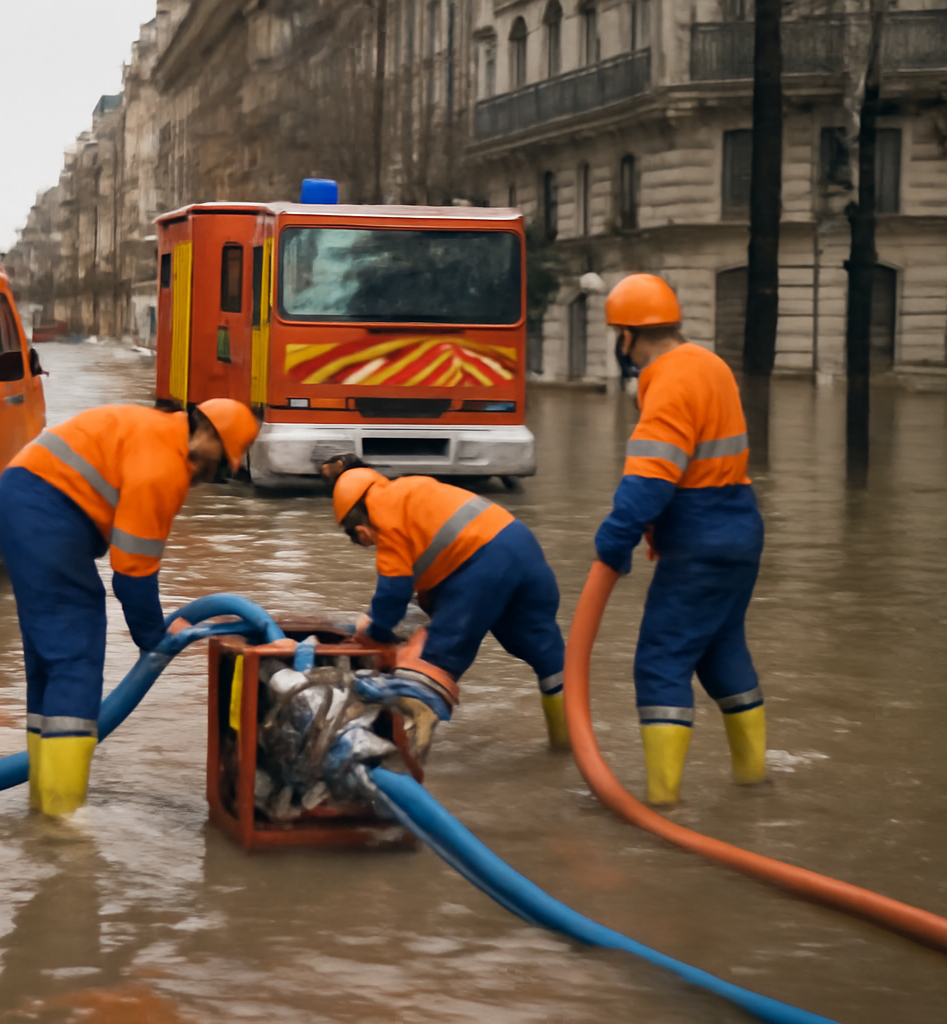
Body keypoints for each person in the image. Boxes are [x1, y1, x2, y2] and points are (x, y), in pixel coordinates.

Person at [0, 400, 259, 817]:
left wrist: (155, 633)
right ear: (206, 432)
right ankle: (61, 818)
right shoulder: (164, 464)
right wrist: (154, 639)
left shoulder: (155, 434)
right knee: (74, 657)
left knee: (49, 659)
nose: (217, 474)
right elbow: (133, 571)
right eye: (222, 462)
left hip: (21, 498)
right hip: (44, 508)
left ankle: (44, 804)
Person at [594, 273, 765, 807]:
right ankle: (753, 784)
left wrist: (615, 538)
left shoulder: (667, 379)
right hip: (740, 531)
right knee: (721, 653)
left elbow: (651, 477)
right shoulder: (710, 364)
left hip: (700, 540)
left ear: (627, 336)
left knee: (661, 660)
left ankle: (660, 805)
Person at [324, 456, 568, 750]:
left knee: (436, 658)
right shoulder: (410, 487)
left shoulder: (383, 520)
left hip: (482, 563)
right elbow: (434, 570)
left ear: (362, 533)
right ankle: (566, 745)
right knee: (544, 651)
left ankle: (410, 742)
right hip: (521, 544)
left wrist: (374, 629)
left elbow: (394, 592)